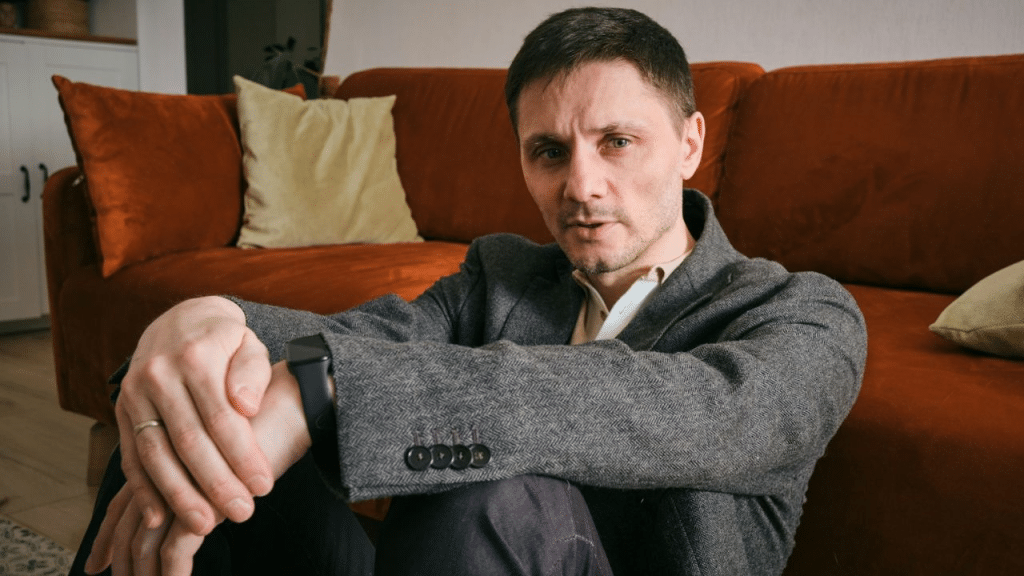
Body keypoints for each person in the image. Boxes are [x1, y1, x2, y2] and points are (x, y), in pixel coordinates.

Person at [72, 7, 866, 576]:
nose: (581, 185)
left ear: (690, 142)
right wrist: (211, 318)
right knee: (198, 404)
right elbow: (372, 336)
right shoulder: (502, 275)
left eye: (617, 142)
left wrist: (327, 388)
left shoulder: (803, 313)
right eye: (548, 152)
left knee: (491, 489)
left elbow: (684, 405)